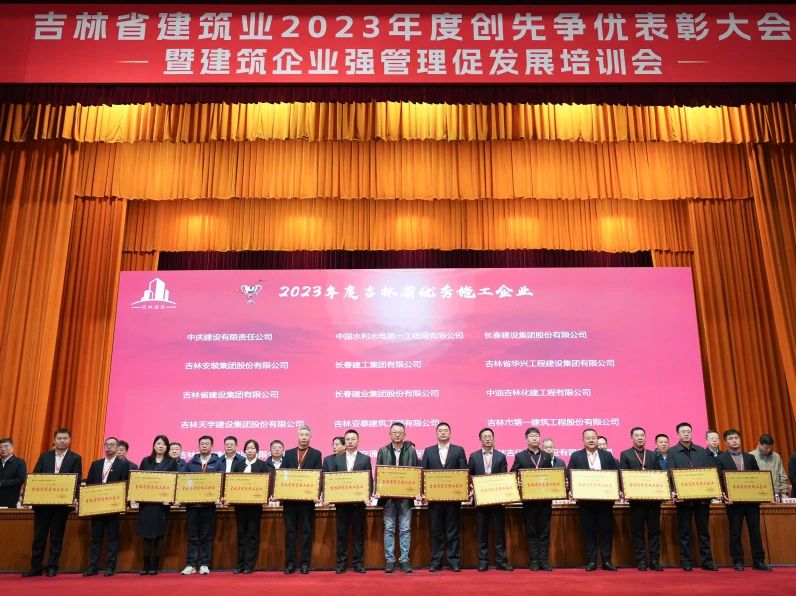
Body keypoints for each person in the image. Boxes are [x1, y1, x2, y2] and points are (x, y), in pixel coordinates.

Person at [23, 428, 82, 577]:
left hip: (61, 505)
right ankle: (36, 567)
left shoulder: (75, 458)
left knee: (56, 537)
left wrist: (72, 497)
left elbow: (77, 480)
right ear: (54, 440)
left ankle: (52, 567)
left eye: (65, 438)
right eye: (59, 438)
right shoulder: (45, 456)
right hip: (42, 504)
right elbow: (35, 477)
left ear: (69, 440)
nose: (62, 441)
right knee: (39, 537)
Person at [716, 429, 772, 571]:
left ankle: (759, 561)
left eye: (736, 438)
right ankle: (738, 561)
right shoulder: (721, 459)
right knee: (735, 532)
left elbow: (759, 477)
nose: (734, 440)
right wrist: (723, 495)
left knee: (755, 531)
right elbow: (719, 480)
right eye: (730, 438)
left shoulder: (750, 458)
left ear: (740, 440)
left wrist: (763, 493)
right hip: (733, 502)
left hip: (752, 502)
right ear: (725, 442)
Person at [668, 422, 717, 571]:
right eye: (683, 431)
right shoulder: (672, 452)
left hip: (702, 497)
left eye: (688, 431)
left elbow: (709, 472)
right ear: (678, 434)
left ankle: (707, 561)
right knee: (685, 531)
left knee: (704, 531)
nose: (686, 434)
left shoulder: (701, 451)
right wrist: (673, 491)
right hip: (683, 498)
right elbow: (670, 473)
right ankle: (686, 561)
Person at [568, 428, 619, 571]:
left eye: (593, 437)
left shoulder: (607, 455)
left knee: (606, 531)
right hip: (586, 502)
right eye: (588, 438)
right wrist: (572, 490)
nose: (591, 440)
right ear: (583, 440)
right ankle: (591, 561)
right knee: (588, 531)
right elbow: (569, 475)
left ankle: (606, 561)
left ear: (597, 439)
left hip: (605, 502)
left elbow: (615, 474)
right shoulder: (576, 456)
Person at [421, 421, 468, 572]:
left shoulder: (458, 450)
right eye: (440, 430)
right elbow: (423, 474)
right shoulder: (428, 451)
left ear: (450, 433)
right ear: (436, 433)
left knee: (453, 531)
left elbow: (464, 472)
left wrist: (463, 492)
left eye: (446, 430)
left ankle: (454, 561)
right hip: (434, 500)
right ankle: (436, 561)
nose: (443, 432)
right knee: (436, 531)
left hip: (453, 499)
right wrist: (424, 493)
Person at [84, 437, 131, 576]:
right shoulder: (96, 464)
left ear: (117, 448)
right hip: (97, 507)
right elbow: (89, 484)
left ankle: (110, 566)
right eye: (107, 445)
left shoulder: (123, 465)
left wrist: (124, 504)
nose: (109, 447)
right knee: (96, 539)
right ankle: (93, 566)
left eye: (112, 445)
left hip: (113, 507)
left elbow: (125, 484)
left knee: (112, 538)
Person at [328, 429, 372, 574]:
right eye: (347, 439)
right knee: (341, 534)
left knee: (358, 534)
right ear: (345, 442)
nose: (350, 441)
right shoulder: (337, 458)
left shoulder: (365, 459)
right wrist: (330, 496)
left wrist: (367, 495)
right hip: (341, 504)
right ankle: (341, 563)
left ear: (358, 441)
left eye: (353, 439)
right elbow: (333, 480)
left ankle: (358, 563)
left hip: (358, 504)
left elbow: (369, 480)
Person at [619, 427, 663, 571]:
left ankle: (655, 560)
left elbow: (660, 475)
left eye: (642, 435)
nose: (640, 437)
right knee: (638, 531)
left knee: (654, 531)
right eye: (636, 435)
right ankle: (641, 560)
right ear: (631, 438)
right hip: (636, 500)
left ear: (645, 437)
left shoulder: (653, 455)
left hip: (653, 499)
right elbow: (622, 475)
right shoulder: (625, 454)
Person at [468, 427, 512, 572]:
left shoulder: (501, 456)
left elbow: (504, 477)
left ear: (493, 438)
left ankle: (501, 561)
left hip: (497, 500)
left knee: (499, 532)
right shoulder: (474, 456)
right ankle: (483, 561)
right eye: (484, 436)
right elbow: (469, 477)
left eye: (490, 436)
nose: (487, 438)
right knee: (482, 532)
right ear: (480, 439)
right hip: (480, 501)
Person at [376, 423, 418, 573]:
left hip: (406, 498)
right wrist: (378, 490)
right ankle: (390, 560)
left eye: (400, 432)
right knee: (389, 529)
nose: (397, 434)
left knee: (405, 529)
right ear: (390, 434)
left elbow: (416, 471)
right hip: (388, 498)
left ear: (405, 434)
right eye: (394, 432)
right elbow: (379, 473)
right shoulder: (383, 451)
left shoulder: (411, 451)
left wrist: (416, 490)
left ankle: (404, 560)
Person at [511, 427, 554, 571]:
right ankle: (534, 561)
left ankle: (544, 561)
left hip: (545, 500)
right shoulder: (520, 456)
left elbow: (553, 475)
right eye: (531, 436)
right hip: (529, 501)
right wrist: (518, 481)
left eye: (537, 435)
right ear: (526, 439)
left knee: (544, 531)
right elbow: (513, 474)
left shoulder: (546, 456)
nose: (535, 438)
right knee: (531, 531)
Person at [282, 426, 322, 574]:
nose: (304, 437)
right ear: (297, 437)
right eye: (301, 435)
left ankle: (305, 564)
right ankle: (290, 564)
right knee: (290, 533)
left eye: (306, 435)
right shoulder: (288, 454)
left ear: (310, 437)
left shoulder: (316, 454)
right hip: (290, 501)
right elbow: (282, 475)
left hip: (307, 501)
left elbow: (318, 475)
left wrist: (316, 493)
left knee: (306, 532)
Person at [181, 435, 222, 575]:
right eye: (202, 444)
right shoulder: (191, 463)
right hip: (192, 506)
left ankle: (204, 564)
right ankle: (191, 564)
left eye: (207, 444)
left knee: (206, 537)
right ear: (199, 446)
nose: (204, 446)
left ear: (212, 446)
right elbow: (185, 483)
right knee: (192, 537)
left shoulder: (218, 464)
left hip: (208, 506)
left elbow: (221, 482)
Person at [137, 435, 178, 575]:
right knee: (146, 535)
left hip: (162, 505)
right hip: (147, 504)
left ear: (167, 447)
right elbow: (139, 480)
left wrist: (170, 497)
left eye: (163, 444)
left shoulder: (171, 462)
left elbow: (174, 482)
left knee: (159, 535)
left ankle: (155, 565)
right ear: (154, 446)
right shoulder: (146, 461)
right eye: (158, 443)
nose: (161, 446)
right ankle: (145, 565)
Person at [231, 439, 270, 574]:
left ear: (257, 450)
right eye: (248, 448)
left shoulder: (262, 465)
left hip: (255, 507)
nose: (250, 450)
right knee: (241, 534)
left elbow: (266, 484)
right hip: (240, 506)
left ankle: (249, 565)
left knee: (252, 535)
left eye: (253, 448)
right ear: (244, 450)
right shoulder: (238, 465)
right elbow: (232, 483)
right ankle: (239, 564)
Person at [750, 434, 789, 499]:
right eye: (766, 448)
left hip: (776, 493)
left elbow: (782, 476)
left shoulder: (776, 457)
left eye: (770, 448)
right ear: (759, 444)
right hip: (758, 493)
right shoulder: (751, 456)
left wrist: (784, 492)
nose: (768, 450)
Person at [0, 437, 26, 507]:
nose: (3, 449)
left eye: (6, 446)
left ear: (12, 448)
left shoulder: (20, 462)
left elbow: (20, 479)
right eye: (0, 447)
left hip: (11, 501)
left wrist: (2, 483)